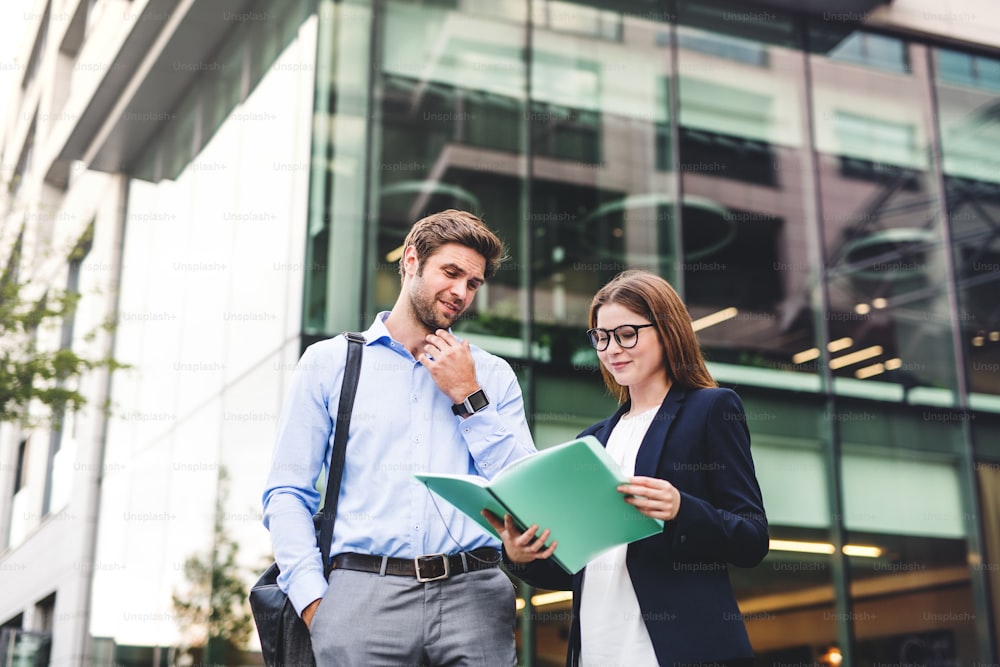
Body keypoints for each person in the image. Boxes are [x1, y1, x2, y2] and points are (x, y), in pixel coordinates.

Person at [262, 209, 536, 666]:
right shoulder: (329, 363)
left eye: (473, 284)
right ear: (411, 260)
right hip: (362, 598)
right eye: (450, 273)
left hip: (474, 598)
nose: (460, 293)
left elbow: (524, 489)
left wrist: (469, 396)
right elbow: (287, 491)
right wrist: (313, 602)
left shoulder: (492, 374)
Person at [486, 269, 768, 667]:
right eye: (601, 337)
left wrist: (680, 510)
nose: (612, 349)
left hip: (676, 649)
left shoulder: (712, 409)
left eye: (626, 334)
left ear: (667, 331)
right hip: (597, 650)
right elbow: (579, 568)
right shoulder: (594, 440)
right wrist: (522, 555)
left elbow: (751, 537)